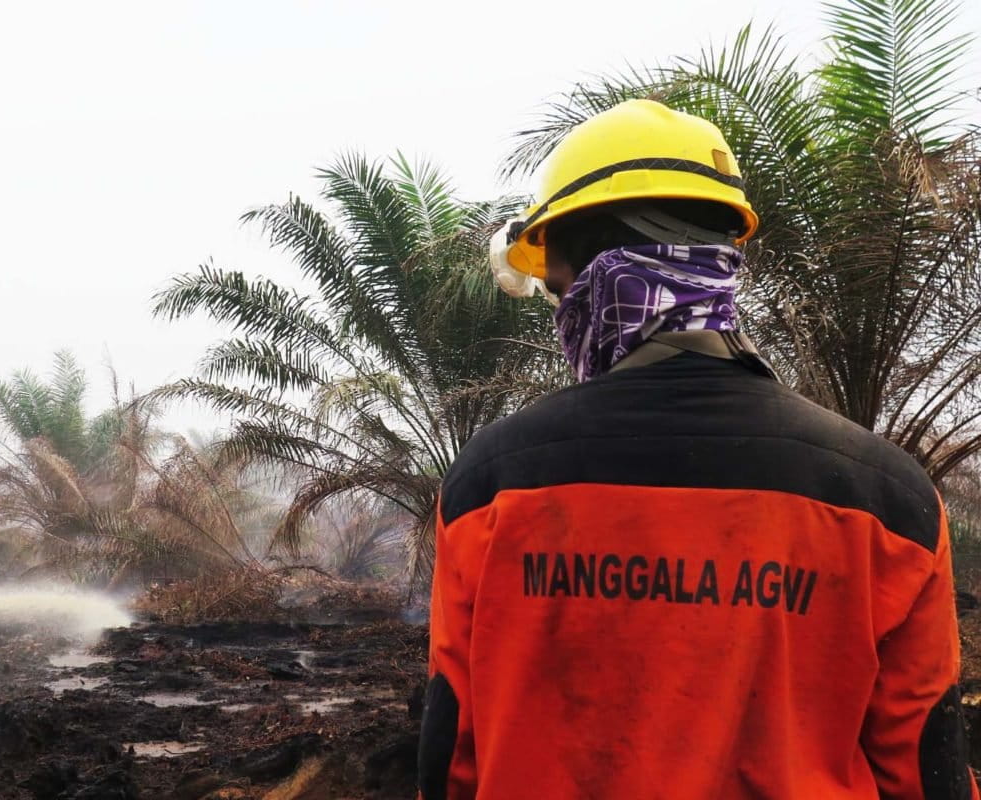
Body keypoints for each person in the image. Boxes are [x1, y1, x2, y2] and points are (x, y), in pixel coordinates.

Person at [419, 99, 978, 799]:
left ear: (605, 278)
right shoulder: (889, 500)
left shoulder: (490, 486)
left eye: (560, 291)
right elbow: (924, 769)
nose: (563, 318)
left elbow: (452, 759)